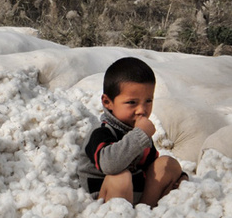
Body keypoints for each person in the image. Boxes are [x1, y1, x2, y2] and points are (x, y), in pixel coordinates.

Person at [77, 56, 185, 207]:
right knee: (121, 177)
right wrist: (140, 135)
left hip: (137, 195)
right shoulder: (101, 132)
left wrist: (179, 179)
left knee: (168, 163)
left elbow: (152, 165)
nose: (142, 110)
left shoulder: (139, 132)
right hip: (105, 199)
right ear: (107, 102)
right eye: (132, 103)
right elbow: (110, 165)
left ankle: (144, 212)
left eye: (148, 101)